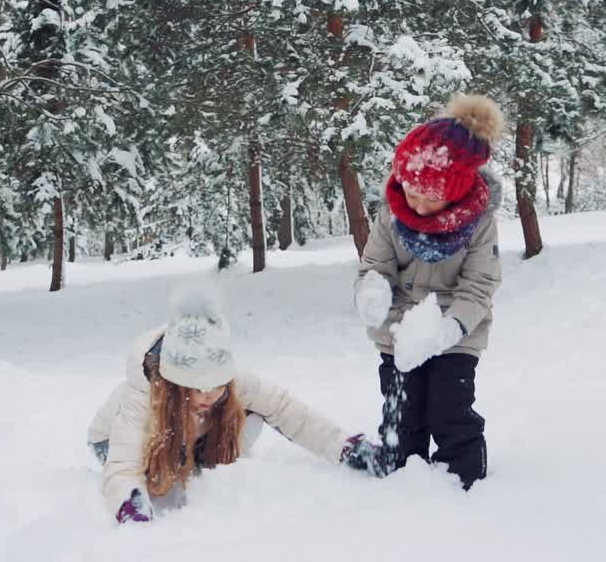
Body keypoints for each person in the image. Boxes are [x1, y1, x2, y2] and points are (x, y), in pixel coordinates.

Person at [88, 287, 384, 523]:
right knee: (156, 469)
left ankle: (198, 464)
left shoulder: (233, 384)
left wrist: (345, 447)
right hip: (112, 441)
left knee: (250, 413)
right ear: (177, 383)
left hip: (188, 434)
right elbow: (123, 466)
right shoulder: (143, 399)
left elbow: (288, 410)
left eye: (216, 385)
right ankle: (177, 461)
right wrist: (131, 506)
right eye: (197, 388)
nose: (208, 396)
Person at [353, 94, 504, 490]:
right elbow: (375, 266)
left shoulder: (479, 224)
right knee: (401, 408)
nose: (416, 205)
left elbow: (479, 286)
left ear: (456, 191)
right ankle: (400, 464)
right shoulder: (391, 214)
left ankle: (463, 474)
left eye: (430, 196)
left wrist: (447, 330)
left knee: (447, 406)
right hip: (398, 332)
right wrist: (373, 293)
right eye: (411, 191)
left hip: (455, 333)